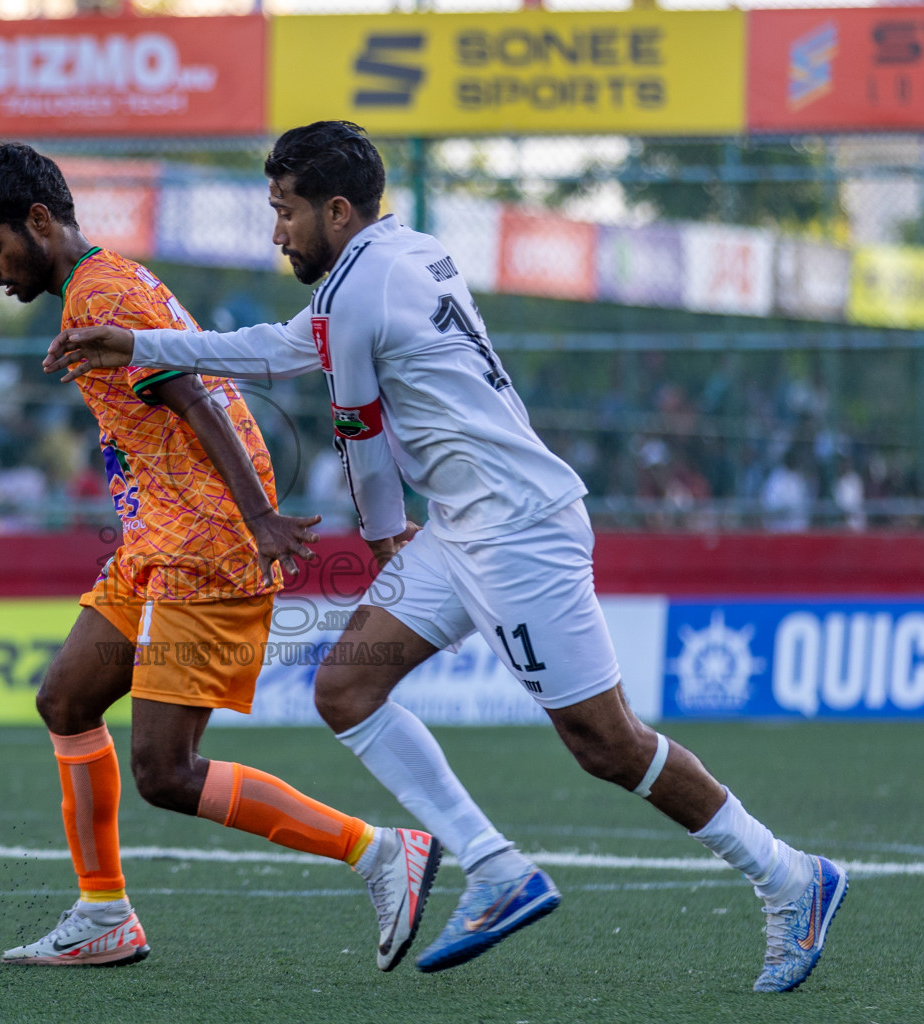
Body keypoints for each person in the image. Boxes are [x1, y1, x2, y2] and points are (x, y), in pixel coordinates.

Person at [46, 121, 847, 991]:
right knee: (346, 688)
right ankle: (494, 868)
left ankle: (789, 876)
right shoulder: (402, 253)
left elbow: (358, 430)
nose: (276, 232)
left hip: (518, 533)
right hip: (468, 527)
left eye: (285, 212)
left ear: (338, 210)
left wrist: (385, 530)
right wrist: (145, 343)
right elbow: (285, 347)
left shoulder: (356, 292)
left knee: (606, 744)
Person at [0, 143, 440, 970]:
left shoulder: (101, 292)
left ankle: (380, 852)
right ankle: (103, 914)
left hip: (205, 545)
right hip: (157, 541)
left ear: (39, 221)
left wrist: (258, 518)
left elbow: (188, 391)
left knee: (166, 772)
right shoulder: (106, 284)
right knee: (67, 701)